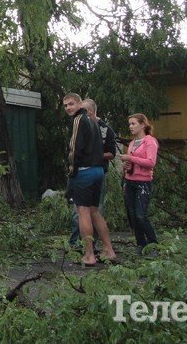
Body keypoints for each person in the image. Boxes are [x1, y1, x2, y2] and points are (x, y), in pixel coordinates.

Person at [63, 93, 116, 266]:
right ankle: (108, 250)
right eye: (65, 105)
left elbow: (74, 148)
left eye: (71, 104)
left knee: (83, 212)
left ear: (80, 104)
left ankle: (89, 255)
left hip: (84, 171)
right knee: (94, 211)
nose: (68, 108)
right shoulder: (94, 122)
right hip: (98, 170)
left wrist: (71, 171)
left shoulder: (79, 119)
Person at [119, 113, 159, 254]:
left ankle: (153, 244)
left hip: (143, 182)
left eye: (133, 123)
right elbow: (133, 162)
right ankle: (141, 244)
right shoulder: (132, 143)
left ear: (142, 125)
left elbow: (150, 162)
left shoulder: (150, 141)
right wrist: (127, 165)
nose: (130, 126)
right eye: (129, 124)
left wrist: (131, 158)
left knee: (141, 215)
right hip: (130, 180)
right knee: (132, 215)